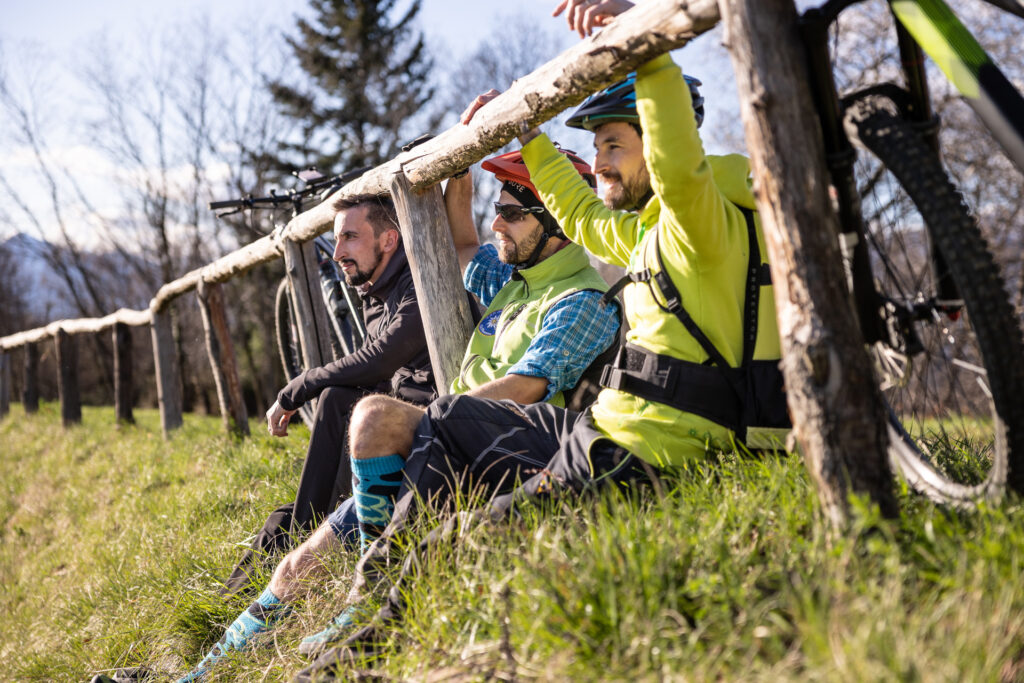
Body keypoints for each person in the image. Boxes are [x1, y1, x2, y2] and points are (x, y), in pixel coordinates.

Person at [298, 5, 788, 676]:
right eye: (595, 150)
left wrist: (639, 41)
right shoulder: (649, 236)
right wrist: (523, 131)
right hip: (597, 430)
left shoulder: (695, 223)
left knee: (458, 542)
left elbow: (676, 160)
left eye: (614, 145)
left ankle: (364, 643)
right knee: (449, 416)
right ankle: (368, 593)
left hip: (637, 456)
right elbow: (581, 216)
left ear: (658, 142)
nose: (599, 163)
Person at [175, 149, 620, 682]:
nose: (496, 222)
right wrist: (462, 161)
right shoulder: (513, 280)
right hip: (442, 434)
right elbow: (458, 244)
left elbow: (527, 388)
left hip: (491, 454)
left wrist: (436, 417)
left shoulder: (581, 299)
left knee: (371, 417)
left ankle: (369, 597)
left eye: (513, 213)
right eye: (497, 208)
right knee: (293, 567)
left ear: (560, 226)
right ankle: (194, 676)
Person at [220, 193, 436, 596]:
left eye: (350, 237)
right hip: (388, 426)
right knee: (278, 521)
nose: (338, 252)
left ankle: (305, 532)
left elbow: (380, 360)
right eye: (336, 239)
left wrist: (298, 388)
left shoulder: (417, 284)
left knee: (337, 398)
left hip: (424, 436)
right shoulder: (376, 288)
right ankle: (217, 627)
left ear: (389, 240)